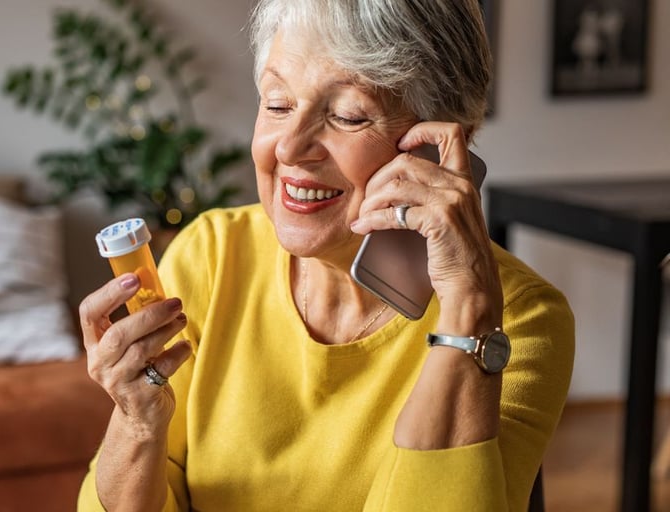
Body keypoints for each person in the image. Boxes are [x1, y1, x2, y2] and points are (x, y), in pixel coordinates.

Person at [77, 0, 574, 510]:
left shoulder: (520, 320)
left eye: (347, 115)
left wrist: (468, 313)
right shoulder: (211, 255)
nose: (291, 147)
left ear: (440, 148)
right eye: (277, 103)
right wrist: (136, 422)